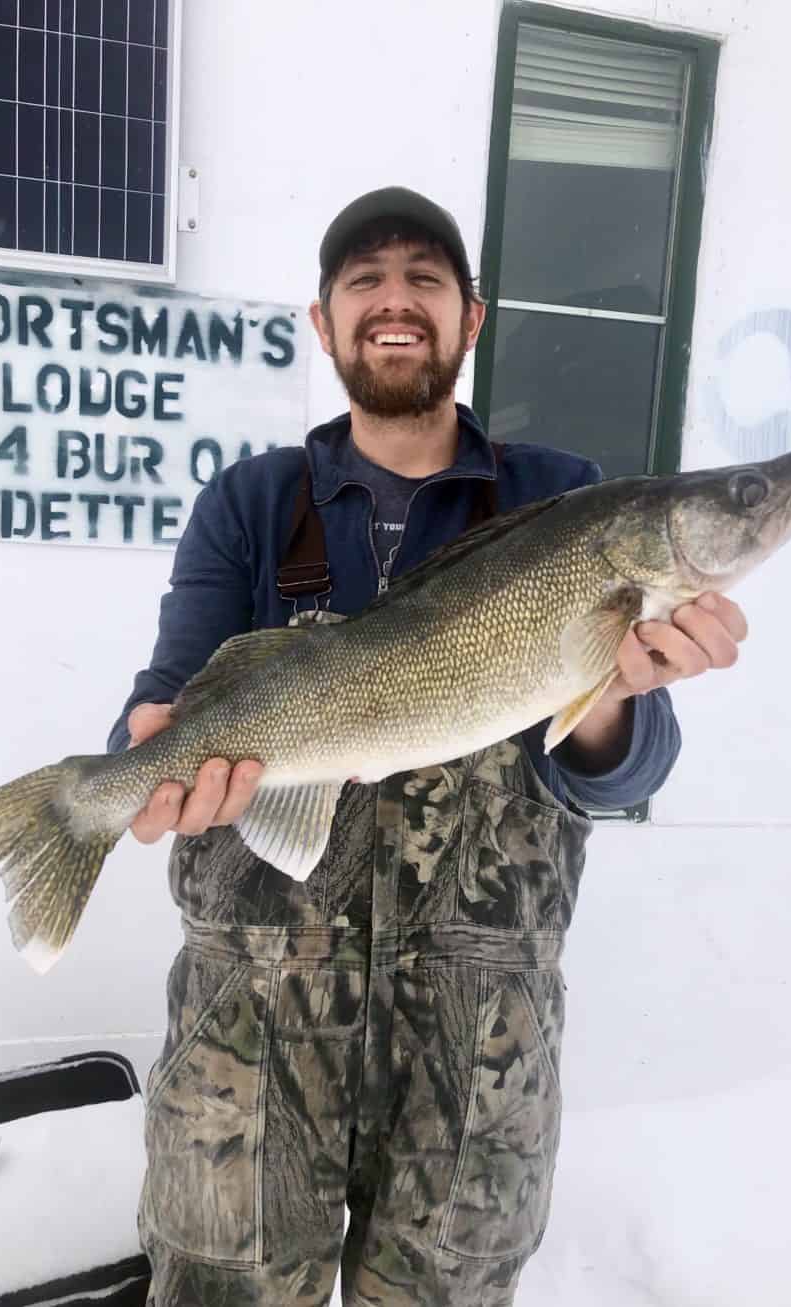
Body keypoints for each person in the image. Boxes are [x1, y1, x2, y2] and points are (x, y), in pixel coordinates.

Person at [109, 187, 747, 1307]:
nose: (392, 300)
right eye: (363, 279)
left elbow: (624, 771)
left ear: (470, 317)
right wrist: (141, 754)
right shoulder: (254, 503)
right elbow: (170, 694)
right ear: (322, 321)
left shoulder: (559, 499)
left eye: (423, 279)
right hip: (251, 1028)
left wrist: (615, 688)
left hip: (479, 1039)